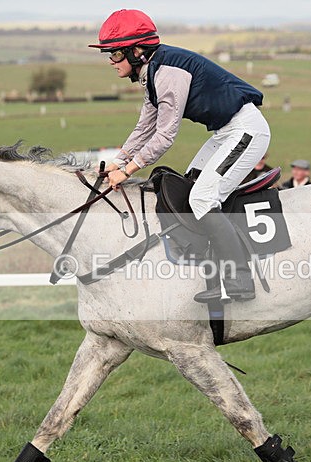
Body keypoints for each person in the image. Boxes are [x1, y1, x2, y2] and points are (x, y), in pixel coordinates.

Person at [91, 9, 270, 303]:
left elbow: (164, 136)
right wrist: (117, 161)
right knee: (190, 187)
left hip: (246, 131)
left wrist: (129, 170)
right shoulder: (152, 72)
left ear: (137, 51)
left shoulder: (168, 72)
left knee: (202, 198)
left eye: (115, 54)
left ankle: (239, 280)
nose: (111, 61)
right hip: (226, 132)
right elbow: (144, 127)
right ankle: (210, 264)